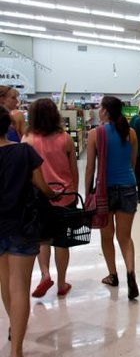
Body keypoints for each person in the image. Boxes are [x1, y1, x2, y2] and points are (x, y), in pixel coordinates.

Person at [0, 105, 58, 357]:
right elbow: (42, 186)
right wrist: (55, 195)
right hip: (23, 226)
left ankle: (13, 328)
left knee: (5, 283)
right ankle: (16, 356)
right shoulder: (24, 152)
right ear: (9, 127)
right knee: (20, 286)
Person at [23, 99, 79, 298]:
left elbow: (25, 172)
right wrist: (74, 192)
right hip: (65, 196)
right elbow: (73, 170)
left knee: (43, 240)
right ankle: (62, 284)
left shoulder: (27, 139)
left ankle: (45, 274)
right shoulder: (66, 138)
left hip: (38, 197)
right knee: (62, 242)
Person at [85, 96, 139, 300]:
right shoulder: (131, 133)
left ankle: (113, 275)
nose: (98, 110)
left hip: (104, 191)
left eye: (100, 107)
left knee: (107, 236)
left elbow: (90, 168)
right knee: (125, 237)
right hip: (128, 187)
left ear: (105, 111)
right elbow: (132, 163)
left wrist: (87, 192)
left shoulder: (95, 134)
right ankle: (131, 273)